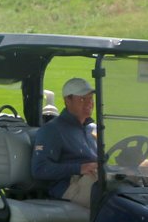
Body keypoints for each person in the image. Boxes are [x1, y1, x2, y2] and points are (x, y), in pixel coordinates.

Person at [30, 77, 100, 207]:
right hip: (70, 187)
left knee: (144, 168)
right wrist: (80, 168)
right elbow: (39, 169)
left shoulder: (92, 129)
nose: (89, 103)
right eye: (83, 99)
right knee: (114, 197)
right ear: (68, 100)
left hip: (93, 180)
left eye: (91, 98)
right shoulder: (52, 130)